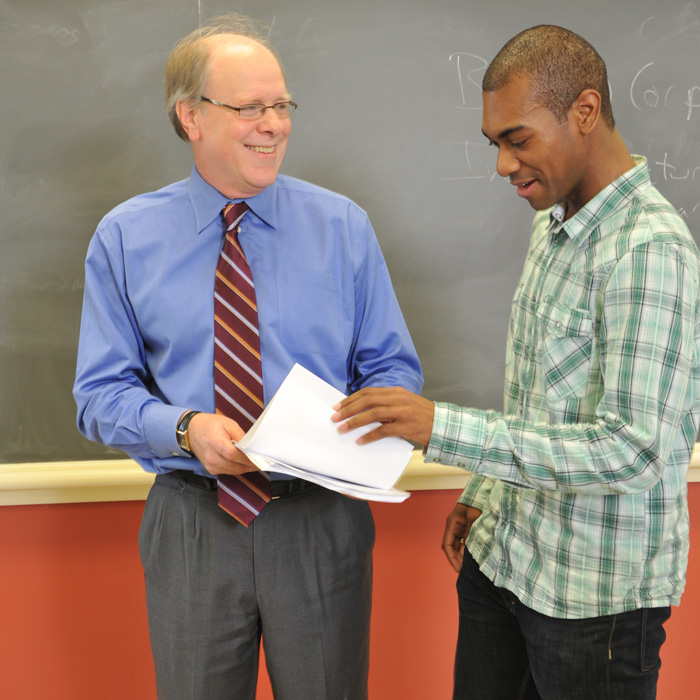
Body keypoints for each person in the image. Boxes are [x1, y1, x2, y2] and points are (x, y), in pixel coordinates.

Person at [332, 25, 700, 700]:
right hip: (506, 564)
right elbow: (543, 397)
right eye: (495, 143)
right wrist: (486, 494)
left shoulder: (649, 252)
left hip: (593, 607)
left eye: (517, 139)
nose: (503, 164)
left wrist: (439, 429)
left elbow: (633, 450)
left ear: (584, 112)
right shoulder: (553, 224)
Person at [73, 13, 422, 700]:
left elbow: (393, 373)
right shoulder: (124, 237)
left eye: (282, 105)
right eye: (251, 107)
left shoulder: (343, 227)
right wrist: (184, 429)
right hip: (192, 522)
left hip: (319, 520)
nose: (274, 124)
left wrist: (351, 426)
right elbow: (98, 396)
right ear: (191, 117)